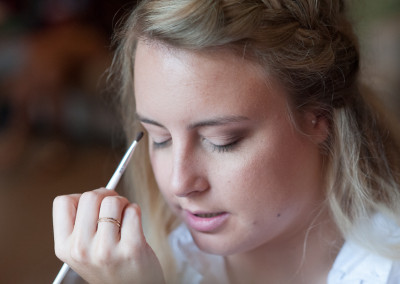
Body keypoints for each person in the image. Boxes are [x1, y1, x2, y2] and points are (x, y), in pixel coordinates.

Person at [52, 0, 400, 283]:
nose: (179, 184)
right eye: (160, 139)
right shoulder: (148, 263)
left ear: (319, 115)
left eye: (222, 141)